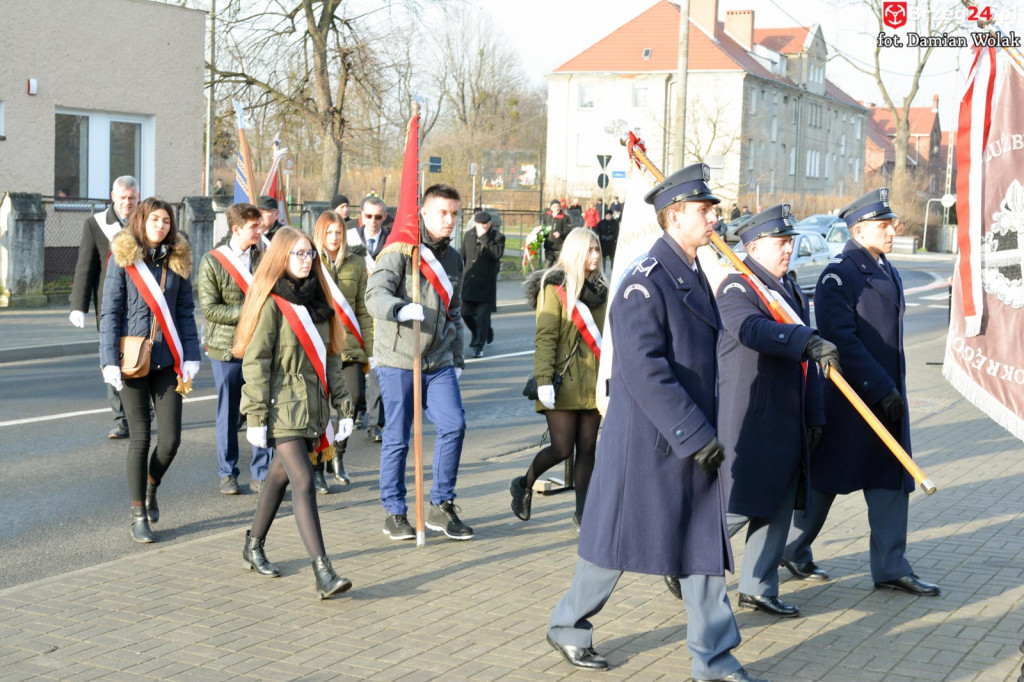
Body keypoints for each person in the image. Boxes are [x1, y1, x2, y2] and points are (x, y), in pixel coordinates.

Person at [546, 164, 765, 682]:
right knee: (611, 548)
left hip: (688, 440)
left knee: (701, 550)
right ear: (673, 217)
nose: (714, 217)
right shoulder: (642, 283)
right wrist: (694, 433)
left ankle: (713, 660)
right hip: (650, 444)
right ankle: (567, 624)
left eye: (713, 209)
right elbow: (646, 371)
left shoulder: (690, 271)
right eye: (704, 210)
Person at [783, 188, 941, 598]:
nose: (892, 231)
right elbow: (842, 341)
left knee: (891, 477)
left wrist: (890, 389)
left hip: (886, 395)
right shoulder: (840, 273)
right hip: (851, 400)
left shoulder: (884, 265)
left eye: (891, 224)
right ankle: (791, 548)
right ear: (858, 229)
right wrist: (879, 386)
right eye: (883, 225)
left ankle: (890, 565)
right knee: (826, 479)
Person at [710, 204, 839, 619]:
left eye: (790, 242)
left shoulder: (791, 289)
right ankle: (686, 556)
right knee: (740, 505)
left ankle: (758, 587)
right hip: (752, 416)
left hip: (790, 415)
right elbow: (751, 330)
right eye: (781, 243)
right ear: (753, 246)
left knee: (779, 506)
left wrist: (815, 414)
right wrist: (802, 337)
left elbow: (809, 363)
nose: (789, 250)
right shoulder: (737, 286)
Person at [234, 226, 355, 600]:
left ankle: (253, 544)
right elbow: (256, 362)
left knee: (280, 476)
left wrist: (344, 405)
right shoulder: (272, 302)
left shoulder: (319, 301)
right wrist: (254, 416)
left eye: (309, 255)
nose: (305, 261)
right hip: (280, 406)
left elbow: (332, 359)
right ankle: (323, 571)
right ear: (282, 258)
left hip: (313, 405)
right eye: (298, 254)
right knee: (303, 480)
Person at [365, 183, 471, 541]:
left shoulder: (454, 258)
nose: (450, 220)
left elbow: (454, 311)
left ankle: (442, 505)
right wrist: (398, 308)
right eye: (442, 212)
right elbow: (374, 295)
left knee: (454, 424)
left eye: (455, 213)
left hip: (438, 359)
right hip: (398, 357)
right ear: (423, 212)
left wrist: (457, 357)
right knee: (398, 437)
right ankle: (394, 512)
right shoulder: (399, 249)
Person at [99, 197, 201, 543]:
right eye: (155, 219)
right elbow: (110, 313)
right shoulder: (123, 260)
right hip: (132, 361)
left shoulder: (178, 260)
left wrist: (191, 355)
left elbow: (185, 312)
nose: (161, 226)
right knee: (140, 438)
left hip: (167, 361)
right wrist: (107, 359)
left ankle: (152, 486)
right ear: (142, 221)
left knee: (171, 439)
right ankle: (138, 512)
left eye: (166, 221)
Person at [511, 228, 606, 530]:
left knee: (588, 448)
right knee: (563, 448)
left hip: (593, 382)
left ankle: (583, 514)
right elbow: (546, 337)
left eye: (598, 249)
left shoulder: (603, 289)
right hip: (562, 382)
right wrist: (542, 380)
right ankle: (524, 483)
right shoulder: (553, 287)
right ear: (576, 251)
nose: (595, 255)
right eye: (589, 250)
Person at [197, 202, 273, 495]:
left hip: (262, 345)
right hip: (226, 348)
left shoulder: (264, 256)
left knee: (260, 409)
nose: (260, 230)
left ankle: (262, 472)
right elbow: (211, 309)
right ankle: (228, 472)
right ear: (236, 228)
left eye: (260, 225)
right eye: (254, 226)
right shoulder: (212, 261)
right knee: (228, 413)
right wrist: (249, 310)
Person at [69, 176, 139, 439]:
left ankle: (142, 409)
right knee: (112, 358)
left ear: (138, 196)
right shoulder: (95, 224)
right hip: (109, 305)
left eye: (131, 198)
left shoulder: (148, 221)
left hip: (143, 305)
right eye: (122, 198)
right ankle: (121, 418)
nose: (126, 203)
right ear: (113, 196)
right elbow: (85, 266)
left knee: (143, 356)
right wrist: (79, 306)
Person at [310, 210, 374, 491]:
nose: (334, 238)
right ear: (320, 234)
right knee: (319, 407)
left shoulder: (357, 263)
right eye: (329, 233)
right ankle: (317, 466)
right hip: (319, 345)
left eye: (339, 233)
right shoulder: (309, 260)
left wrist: (370, 350)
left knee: (354, 399)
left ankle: (338, 454)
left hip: (349, 345)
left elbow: (363, 308)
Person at [351, 195, 390, 442]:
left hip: (380, 315)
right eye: (369, 216)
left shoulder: (393, 241)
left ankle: (376, 424)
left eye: (378, 217)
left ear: (384, 218)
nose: (373, 221)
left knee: (377, 372)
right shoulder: (348, 239)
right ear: (361, 216)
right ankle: (354, 412)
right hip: (353, 313)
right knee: (352, 374)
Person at [459, 211, 505, 359]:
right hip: (469, 283)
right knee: (465, 313)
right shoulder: (469, 235)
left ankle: (479, 346)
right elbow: (462, 256)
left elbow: (496, 254)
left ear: (490, 224)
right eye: (480, 224)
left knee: (483, 317)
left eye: (485, 224)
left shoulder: (498, 237)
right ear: (476, 223)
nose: (482, 226)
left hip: (486, 285)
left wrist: (484, 237)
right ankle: (483, 332)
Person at [542, 200, 571, 268]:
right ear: (551, 208)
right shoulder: (547, 216)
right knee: (547, 267)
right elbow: (543, 227)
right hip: (549, 247)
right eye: (554, 206)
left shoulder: (565, 218)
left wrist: (560, 234)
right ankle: (547, 278)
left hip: (559, 247)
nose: (557, 208)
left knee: (560, 267)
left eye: (558, 206)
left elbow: (568, 231)